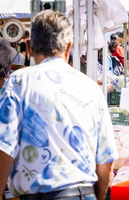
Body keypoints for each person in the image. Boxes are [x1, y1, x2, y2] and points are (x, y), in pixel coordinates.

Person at [0, 10, 118, 200]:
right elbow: (106, 160)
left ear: (29, 47)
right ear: (69, 47)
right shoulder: (91, 87)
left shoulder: (19, 81)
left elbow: (4, 147)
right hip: (84, 194)